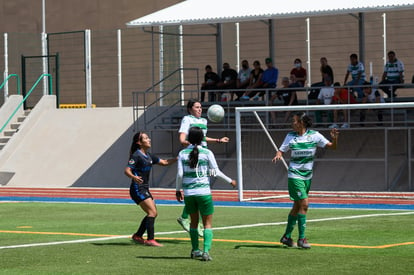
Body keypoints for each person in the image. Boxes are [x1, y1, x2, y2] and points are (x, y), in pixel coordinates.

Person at [272, 112, 339, 249]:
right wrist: (278, 155)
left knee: (297, 207)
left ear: (301, 123)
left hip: (307, 176)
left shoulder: (314, 135)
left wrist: (335, 139)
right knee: (305, 204)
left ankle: (286, 237)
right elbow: (281, 150)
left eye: (294, 121)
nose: (292, 123)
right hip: (294, 175)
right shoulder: (290, 136)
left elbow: (333, 147)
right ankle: (302, 239)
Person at [176, 126, 237, 261]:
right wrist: (230, 181)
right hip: (203, 192)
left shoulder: (182, 153)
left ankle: (195, 250)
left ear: (188, 139)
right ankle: (206, 252)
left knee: (193, 222)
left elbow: (180, 174)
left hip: (189, 193)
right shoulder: (207, 152)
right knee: (207, 223)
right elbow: (216, 172)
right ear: (202, 138)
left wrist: (177, 190)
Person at [177, 99, 230, 235]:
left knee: (200, 187)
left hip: (202, 154)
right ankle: (187, 219)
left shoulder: (204, 121)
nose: (200, 109)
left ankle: (186, 218)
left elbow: (203, 138)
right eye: (197, 107)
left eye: (201, 107)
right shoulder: (187, 119)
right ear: (190, 109)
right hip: (193, 155)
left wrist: (218, 140)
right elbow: (182, 139)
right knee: (198, 187)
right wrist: (191, 143)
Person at [125, 131, 177, 247]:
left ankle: (138, 235)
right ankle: (150, 240)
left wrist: (178, 158)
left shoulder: (149, 156)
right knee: (152, 212)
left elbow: (164, 162)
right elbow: (127, 170)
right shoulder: (136, 155)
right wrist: (133, 177)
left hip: (144, 188)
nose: (149, 140)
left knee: (153, 213)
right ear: (139, 142)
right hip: (137, 188)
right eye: (146, 138)